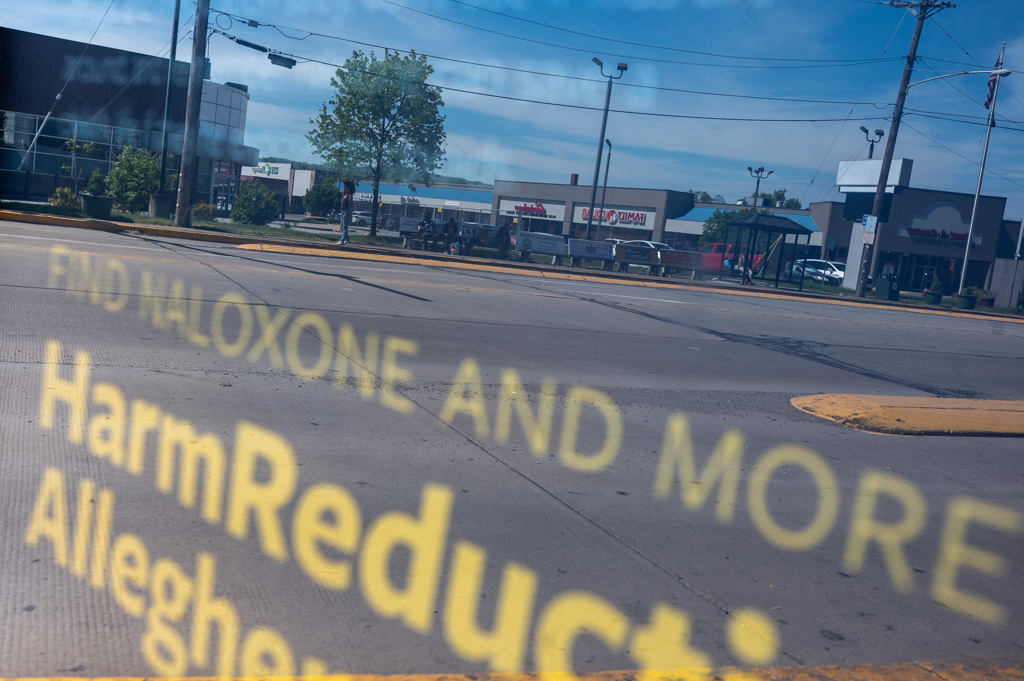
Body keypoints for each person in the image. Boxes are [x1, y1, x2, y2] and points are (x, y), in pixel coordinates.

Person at [336, 180, 355, 245]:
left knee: (344, 227)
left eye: (345, 187)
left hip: (346, 212)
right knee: (342, 226)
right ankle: (347, 240)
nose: (344, 188)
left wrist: (346, 214)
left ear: (348, 188)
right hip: (342, 211)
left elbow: (350, 206)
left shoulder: (349, 196)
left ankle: (342, 240)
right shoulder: (344, 194)